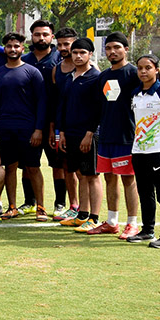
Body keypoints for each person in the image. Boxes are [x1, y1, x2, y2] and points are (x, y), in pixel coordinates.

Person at [0, 32, 46, 220]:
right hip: (5, 128)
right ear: (4, 49)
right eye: (9, 46)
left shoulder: (32, 72)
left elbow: (42, 102)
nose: (13, 49)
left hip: (28, 129)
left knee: (33, 167)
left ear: (22, 48)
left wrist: (38, 129)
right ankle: (12, 206)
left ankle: (41, 207)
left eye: (16, 46)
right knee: (10, 167)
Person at [128, 54, 160, 248]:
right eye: (140, 68)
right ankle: (147, 230)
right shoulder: (135, 94)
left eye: (148, 67)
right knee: (145, 192)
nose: (143, 71)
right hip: (139, 151)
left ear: (156, 70)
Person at [92, 32, 141, 237]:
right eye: (108, 48)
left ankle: (132, 223)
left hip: (126, 137)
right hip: (106, 136)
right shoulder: (103, 76)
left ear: (126, 49)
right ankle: (112, 222)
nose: (112, 52)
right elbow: (99, 107)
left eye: (117, 48)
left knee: (128, 179)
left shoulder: (134, 74)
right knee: (109, 178)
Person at [57, 38, 103, 232]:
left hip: (89, 134)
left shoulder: (97, 77)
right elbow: (63, 106)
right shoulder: (69, 77)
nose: (78, 56)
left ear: (90, 54)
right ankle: (82, 215)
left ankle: (94, 218)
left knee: (92, 175)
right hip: (71, 133)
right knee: (80, 174)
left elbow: (99, 109)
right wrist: (62, 132)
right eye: (75, 52)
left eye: (82, 53)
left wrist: (90, 133)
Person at [21, 19, 61, 211]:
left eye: (45, 34)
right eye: (37, 34)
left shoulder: (60, 58)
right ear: (32, 36)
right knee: (28, 164)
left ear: (52, 36)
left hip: (55, 120)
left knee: (58, 164)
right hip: (29, 120)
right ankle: (29, 202)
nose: (41, 38)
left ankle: (60, 203)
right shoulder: (24, 59)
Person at [49, 27, 82, 219]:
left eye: (67, 44)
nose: (63, 48)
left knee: (84, 171)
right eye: (60, 44)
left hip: (83, 127)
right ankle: (74, 204)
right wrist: (53, 127)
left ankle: (86, 208)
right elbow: (56, 101)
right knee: (67, 167)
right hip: (63, 127)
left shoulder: (90, 69)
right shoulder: (57, 69)